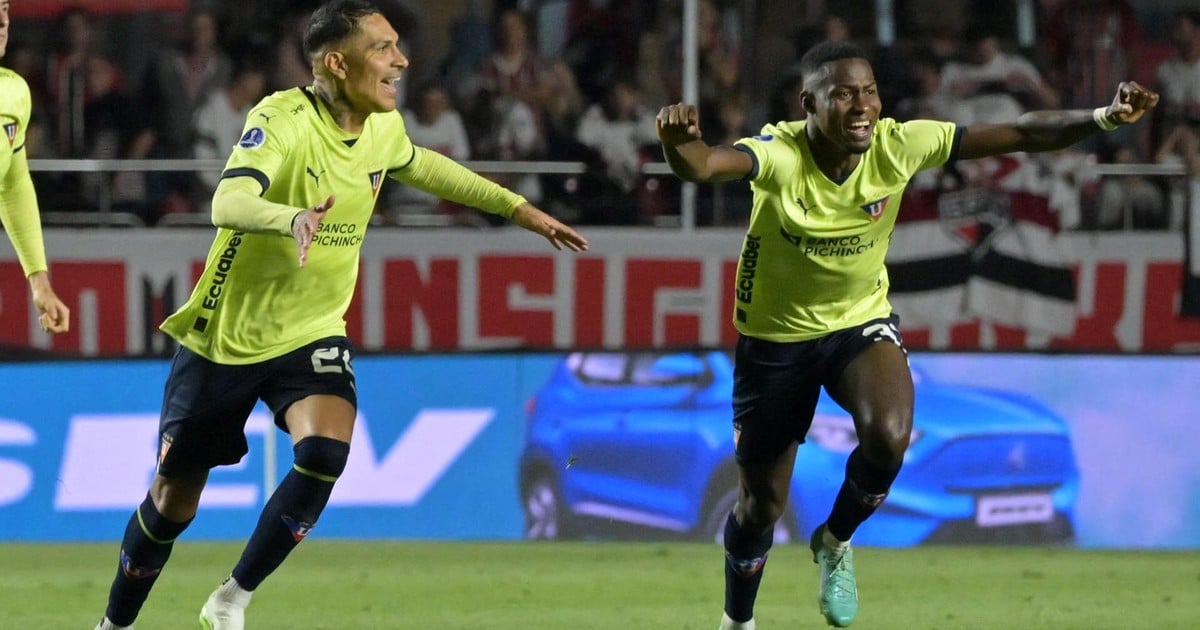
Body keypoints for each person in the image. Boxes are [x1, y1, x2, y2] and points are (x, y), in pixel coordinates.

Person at [93, 2, 586, 629]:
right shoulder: (281, 118)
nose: (401, 60)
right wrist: (291, 217)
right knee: (171, 506)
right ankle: (114, 625)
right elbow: (228, 201)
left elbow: (426, 166)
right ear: (337, 62)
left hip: (313, 330)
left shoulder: (382, 127)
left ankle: (231, 598)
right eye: (383, 48)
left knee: (326, 451)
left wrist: (516, 208)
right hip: (228, 339)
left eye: (397, 45)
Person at [655, 40, 1158, 629]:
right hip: (776, 340)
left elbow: (1021, 132)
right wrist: (677, 144)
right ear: (809, 103)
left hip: (857, 322)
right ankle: (738, 620)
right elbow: (705, 166)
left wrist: (1104, 117)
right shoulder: (781, 155)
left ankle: (835, 541)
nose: (862, 105)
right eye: (844, 94)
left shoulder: (898, 144)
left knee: (890, 438)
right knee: (761, 505)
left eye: (869, 91)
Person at [0, 1, 70, 337]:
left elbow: (13, 186)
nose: (2, 22)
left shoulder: (13, 92)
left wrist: (40, 283)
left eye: (5, 8)